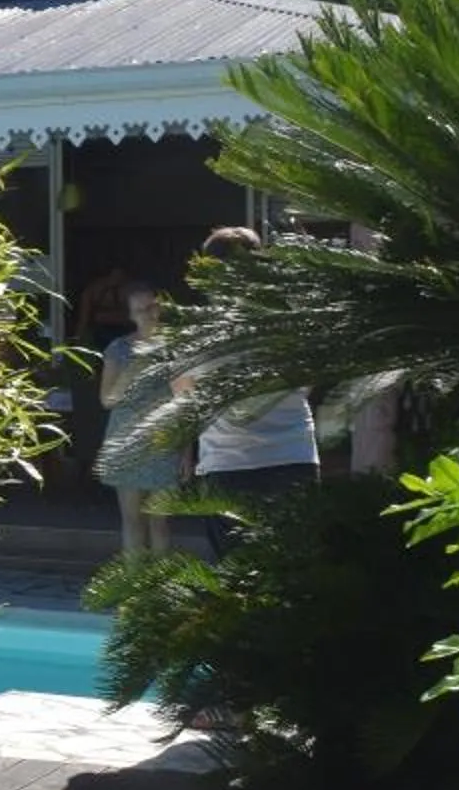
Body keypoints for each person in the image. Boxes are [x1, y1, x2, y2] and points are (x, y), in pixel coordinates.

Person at [178, 226, 318, 553]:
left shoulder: (202, 329)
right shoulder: (289, 321)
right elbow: (307, 381)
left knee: (236, 575)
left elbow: (185, 396)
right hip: (294, 456)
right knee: (295, 566)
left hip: (229, 463)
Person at [94, 281, 183, 553]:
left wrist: (187, 452)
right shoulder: (118, 348)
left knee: (161, 524)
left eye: (153, 306)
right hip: (126, 439)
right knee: (132, 521)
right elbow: (107, 400)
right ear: (131, 316)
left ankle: (160, 591)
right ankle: (134, 589)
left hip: (165, 440)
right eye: (141, 309)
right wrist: (133, 368)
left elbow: (187, 403)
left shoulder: (178, 347)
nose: (148, 313)